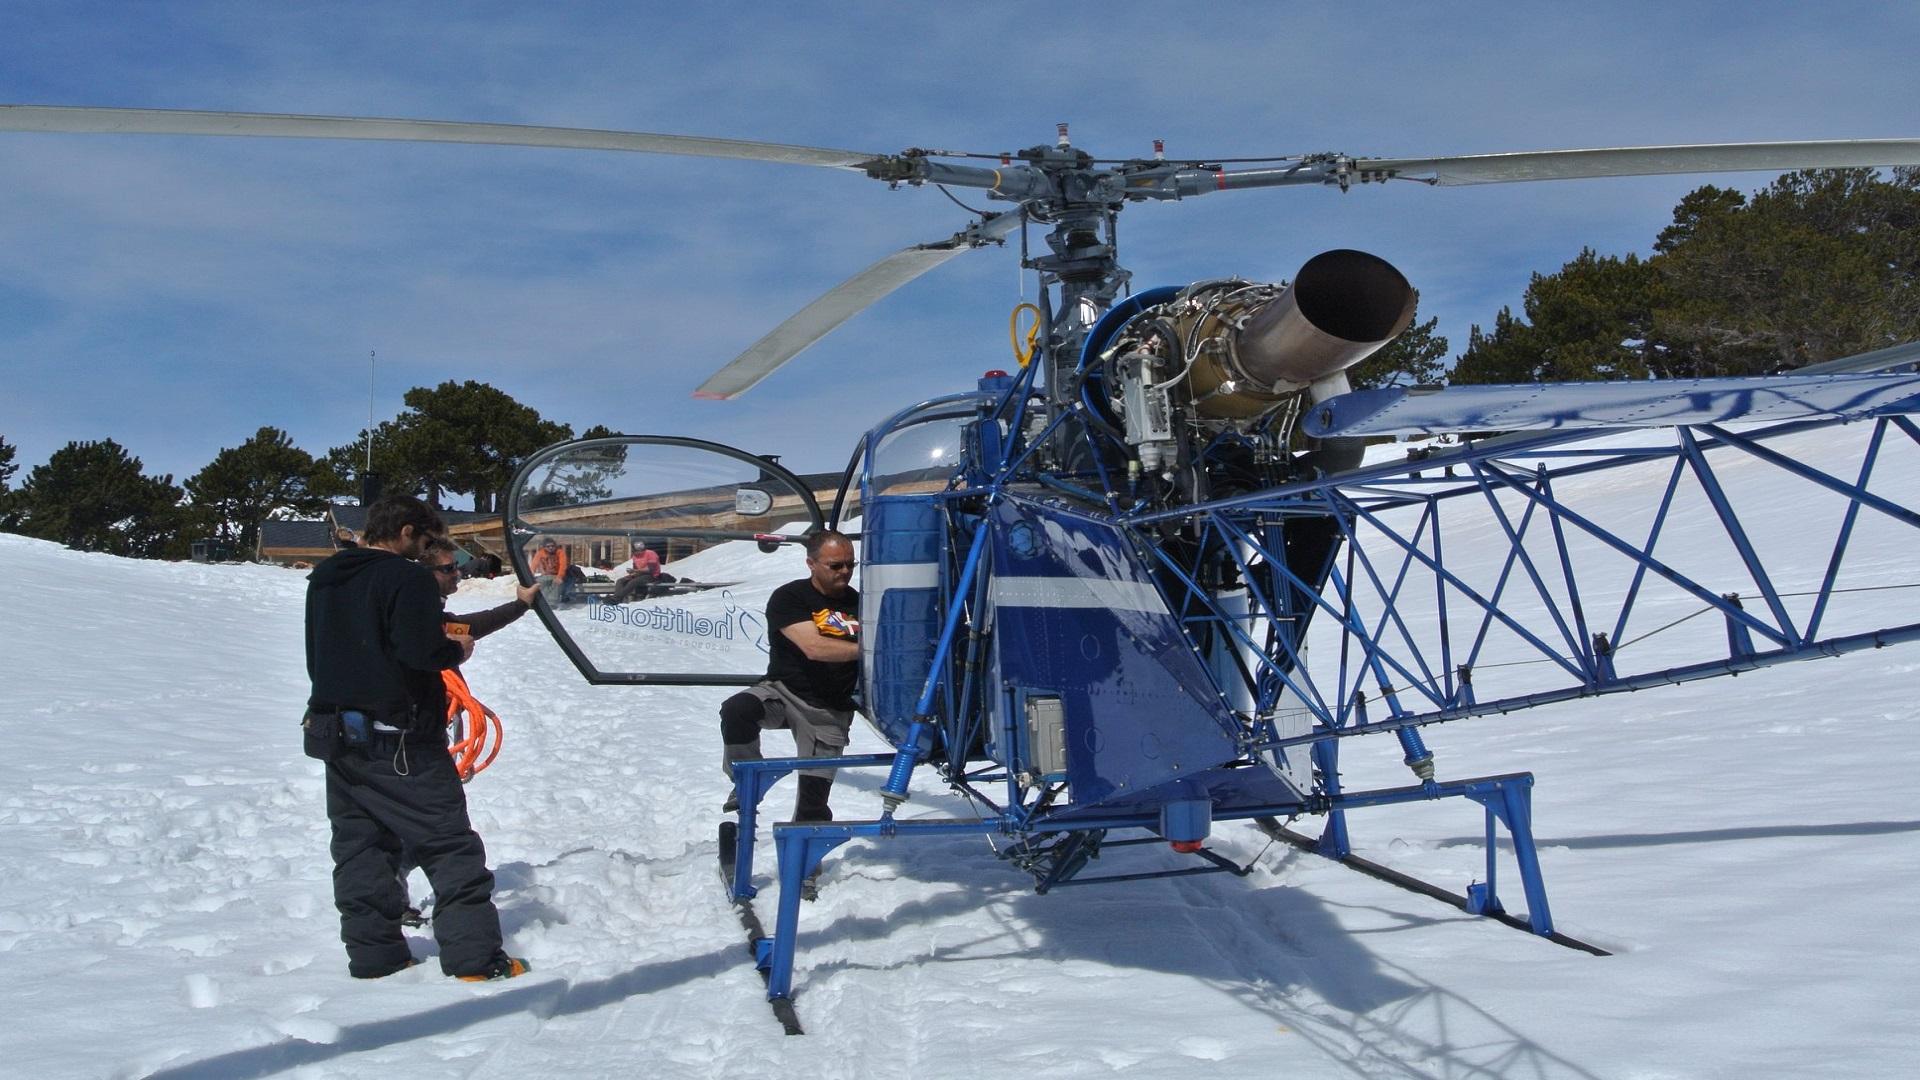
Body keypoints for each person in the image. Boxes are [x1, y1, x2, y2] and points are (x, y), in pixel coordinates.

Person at [303, 494, 528, 982]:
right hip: (401, 741)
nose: (427, 553)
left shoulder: (327, 576)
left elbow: (323, 655)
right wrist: (456, 649)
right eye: (425, 542)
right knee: (450, 847)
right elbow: (421, 651)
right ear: (406, 532)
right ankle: (474, 961)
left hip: (336, 735)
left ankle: (375, 956)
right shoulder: (404, 577)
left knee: (362, 847)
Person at [395, 539, 540, 927]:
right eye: (448, 568)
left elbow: (474, 625)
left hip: (432, 734)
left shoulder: (439, 621)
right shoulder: (410, 620)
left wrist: (521, 604)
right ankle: (431, 902)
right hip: (404, 740)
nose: (457, 572)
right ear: (424, 575)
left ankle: (401, 889)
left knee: (433, 817)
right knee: (433, 820)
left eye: (456, 566)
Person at [718, 530, 860, 822]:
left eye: (850, 564)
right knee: (737, 709)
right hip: (784, 693)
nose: (844, 572)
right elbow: (814, 647)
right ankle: (745, 779)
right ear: (811, 564)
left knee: (813, 805)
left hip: (830, 710)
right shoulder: (790, 597)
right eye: (835, 566)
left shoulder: (860, 602)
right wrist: (871, 649)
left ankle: (805, 863)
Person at [609, 544, 677, 603]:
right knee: (620, 580)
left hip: (652, 575)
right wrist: (632, 574)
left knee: (633, 582)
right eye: (634, 551)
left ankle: (616, 598)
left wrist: (636, 571)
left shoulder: (651, 554)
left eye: (636, 551)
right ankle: (617, 597)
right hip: (640, 575)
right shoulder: (635, 557)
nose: (634, 553)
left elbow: (651, 569)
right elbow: (636, 569)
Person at [527, 537, 576, 604]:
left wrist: (559, 576)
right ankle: (542, 600)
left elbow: (563, 566)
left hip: (560, 574)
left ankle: (552, 602)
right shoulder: (540, 553)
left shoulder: (560, 552)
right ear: (544, 547)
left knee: (556, 582)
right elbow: (534, 565)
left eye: (552, 546)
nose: (551, 548)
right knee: (539, 582)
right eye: (548, 546)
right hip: (547, 574)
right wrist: (530, 576)